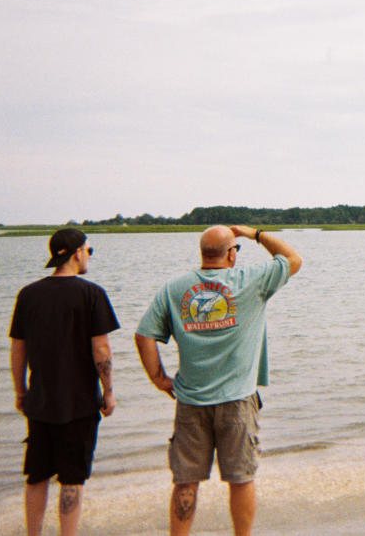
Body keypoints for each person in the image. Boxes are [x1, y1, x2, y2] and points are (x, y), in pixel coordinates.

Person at [135, 225, 302, 536]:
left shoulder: (175, 288)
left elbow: (144, 335)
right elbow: (292, 258)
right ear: (231, 254)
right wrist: (254, 233)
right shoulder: (251, 281)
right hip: (238, 401)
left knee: (186, 480)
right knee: (241, 478)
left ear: (202, 253)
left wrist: (159, 379)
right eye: (234, 249)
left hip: (190, 401)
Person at [9, 227, 119, 536]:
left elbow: (18, 348)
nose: (89, 256)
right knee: (72, 479)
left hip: (40, 401)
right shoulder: (91, 293)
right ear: (77, 253)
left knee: (37, 475)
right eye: (89, 250)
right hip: (81, 403)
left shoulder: (28, 294)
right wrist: (108, 392)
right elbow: (102, 348)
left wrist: (21, 391)